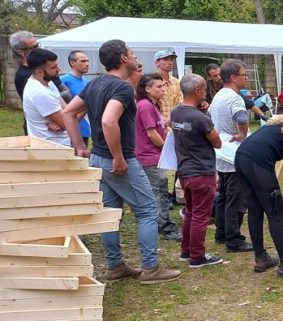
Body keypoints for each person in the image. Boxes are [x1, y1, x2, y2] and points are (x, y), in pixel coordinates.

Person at [60, 39, 181, 284]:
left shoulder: (94, 84)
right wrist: (118, 156)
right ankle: (151, 268)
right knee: (147, 211)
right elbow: (108, 121)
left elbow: (68, 112)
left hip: (98, 158)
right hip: (119, 160)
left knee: (110, 213)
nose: (137, 58)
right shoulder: (123, 88)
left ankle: (116, 266)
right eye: (133, 53)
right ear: (123, 59)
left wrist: (81, 148)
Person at [234, 114, 283, 276]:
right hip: (257, 161)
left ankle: (261, 257)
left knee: (255, 208)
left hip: (242, 155)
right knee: (275, 211)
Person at [170, 74, 224, 268]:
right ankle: (198, 256)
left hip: (184, 171)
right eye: (203, 89)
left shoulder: (176, 113)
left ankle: (187, 250)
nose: (205, 92)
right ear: (197, 91)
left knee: (191, 213)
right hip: (202, 171)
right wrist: (205, 116)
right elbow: (217, 141)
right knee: (201, 215)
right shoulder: (199, 118)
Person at [208, 59, 252, 252]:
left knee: (223, 195)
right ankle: (234, 239)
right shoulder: (235, 98)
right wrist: (242, 133)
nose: (246, 77)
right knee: (236, 198)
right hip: (234, 153)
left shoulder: (218, 95)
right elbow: (241, 117)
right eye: (243, 74)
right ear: (233, 77)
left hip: (221, 151)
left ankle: (221, 232)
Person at [135, 73, 181, 241]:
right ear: (147, 89)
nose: (163, 89)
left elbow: (161, 124)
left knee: (159, 189)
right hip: (149, 156)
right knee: (160, 190)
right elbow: (151, 133)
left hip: (153, 156)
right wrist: (166, 149)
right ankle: (164, 226)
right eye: (159, 87)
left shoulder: (152, 105)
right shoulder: (145, 106)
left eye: (163, 86)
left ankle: (158, 223)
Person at [10, 30, 71, 135]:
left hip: (61, 126)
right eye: (34, 47)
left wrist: (65, 114)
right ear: (21, 51)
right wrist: (65, 114)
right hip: (44, 132)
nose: (39, 48)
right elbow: (40, 101)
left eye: (38, 44)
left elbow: (66, 92)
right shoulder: (24, 76)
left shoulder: (48, 70)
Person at [23, 48, 69, 146]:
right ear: (39, 72)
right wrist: (85, 105)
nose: (59, 70)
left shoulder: (49, 83)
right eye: (53, 67)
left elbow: (67, 111)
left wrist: (63, 121)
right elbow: (69, 123)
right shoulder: (40, 92)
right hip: (51, 149)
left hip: (58, 146)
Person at [60, 50, 91, 145]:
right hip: (70, 127)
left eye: (87, 61)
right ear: (72, 63)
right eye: (83, 61)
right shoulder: (63, 81)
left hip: (85, 127)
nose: (87, 64)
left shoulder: (87, 82)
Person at [154, 50, 182, 124]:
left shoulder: (177, 82)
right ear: (157, 63)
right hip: (156, 124)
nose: (170, 62)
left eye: (171, 60)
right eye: (165, 59)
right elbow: (148, 105)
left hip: (174, 124)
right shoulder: (151, 81)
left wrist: (170, 119)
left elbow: (181, 103)